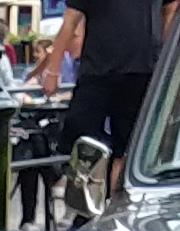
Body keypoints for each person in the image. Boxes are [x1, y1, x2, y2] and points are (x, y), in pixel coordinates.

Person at [63, 0, 161, 189]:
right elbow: (70, 18)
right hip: (101, 70)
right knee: (81, 136)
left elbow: (169, 10)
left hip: (137, 70)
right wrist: (52, 69)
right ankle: (84, 194)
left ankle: (115, 196)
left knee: (126, 148)